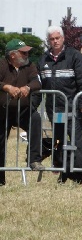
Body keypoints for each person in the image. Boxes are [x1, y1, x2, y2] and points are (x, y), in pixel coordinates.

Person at [35, 26, 82, 169]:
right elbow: (39, 86)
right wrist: (32, 105)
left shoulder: (74, 56)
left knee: (76, 139)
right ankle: (60, 168)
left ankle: (79, 169)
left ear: (63, 38)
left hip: (72, 108)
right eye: (52, 39)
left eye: (57, 38)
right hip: (55, 110)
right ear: (48, 41)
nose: (55, 41)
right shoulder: (43, 60)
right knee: (58, 139)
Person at [0, 39, 44, 185]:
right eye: (23, 52)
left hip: (23, 110)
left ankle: (34, 160)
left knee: (36, 120)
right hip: (2, 111)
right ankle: (1, 179)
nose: (27, 54)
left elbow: (37, 82)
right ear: (13, 55)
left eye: (27, 52)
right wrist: (7, 87)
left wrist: (28, 88)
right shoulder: (2, 64)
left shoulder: (30, 65)